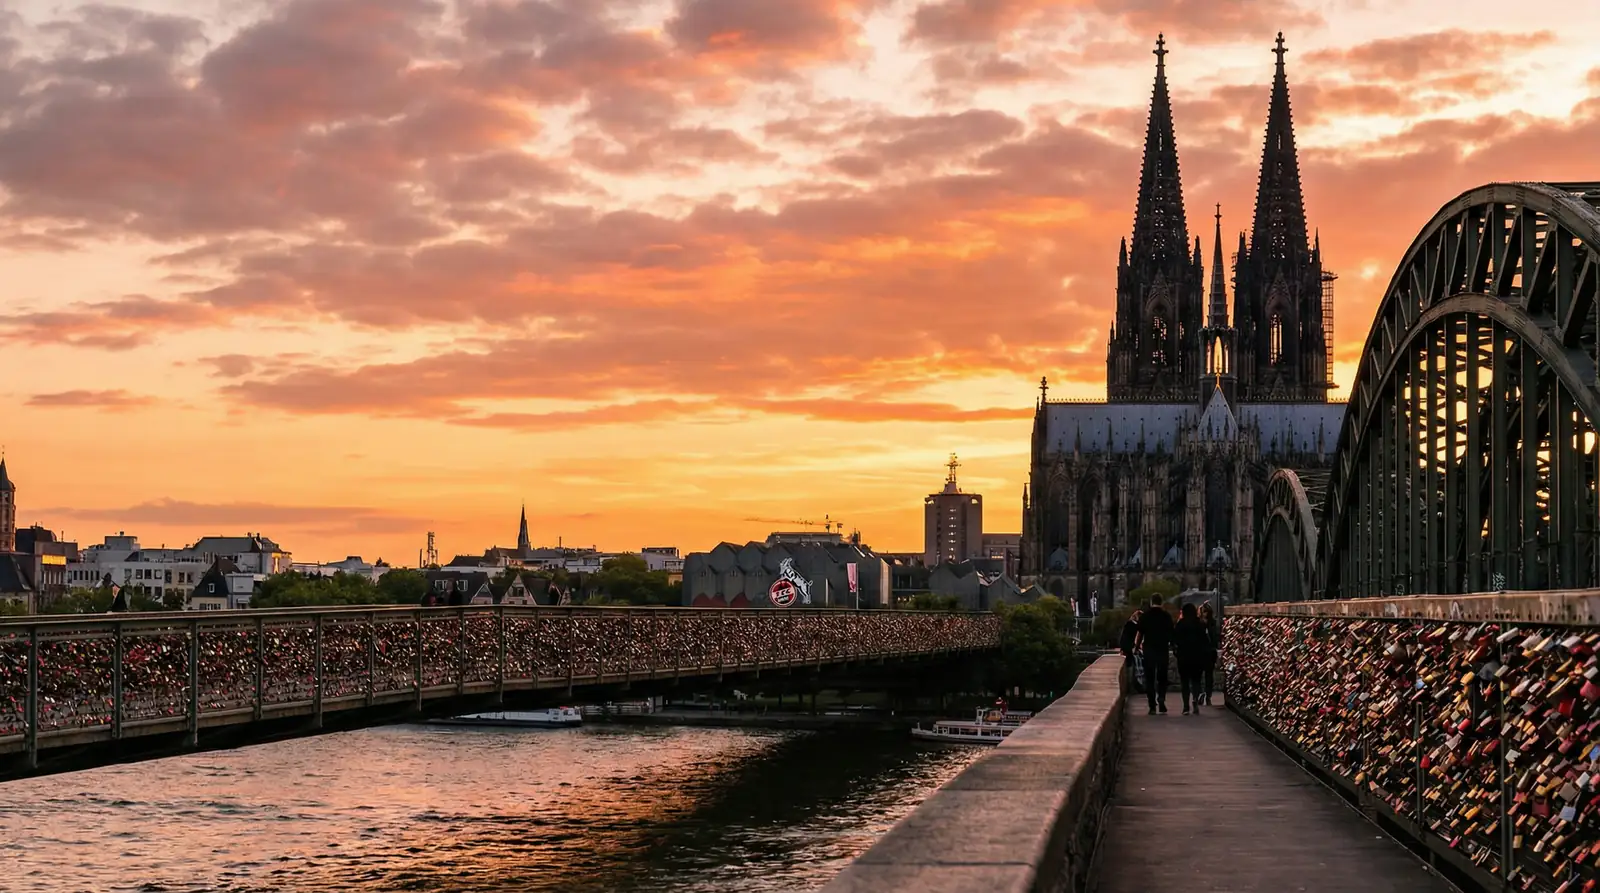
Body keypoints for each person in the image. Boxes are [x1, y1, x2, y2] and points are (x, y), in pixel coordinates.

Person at [1135, 596, 1174, 714]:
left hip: (1149, 650)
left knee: (1150, 678)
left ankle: (1152, 705)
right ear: (1161, 602)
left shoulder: (1145, 616)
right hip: (1162, 649)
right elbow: (1171, 634)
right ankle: (1161, 698)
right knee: (1162, 677)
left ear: (1151, 603)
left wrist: (1136, 647)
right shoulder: (1166, 616)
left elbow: (1140, 634)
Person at [1173, 603, 1213, 715]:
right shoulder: (1199, 624)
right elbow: (1205, 641)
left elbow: (1175, 639)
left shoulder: (1180, 624)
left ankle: (1186, 706)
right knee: (1196, 681)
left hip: (1184, 657)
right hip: (1197, 657)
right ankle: (1195, 700)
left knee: (1184, 682)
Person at [1198, 603, 1220, 706]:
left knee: (1209, 676)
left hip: (1209, 652)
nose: (1205, 614)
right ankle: (1201, 694)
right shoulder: (1199, 623)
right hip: (1201, 651)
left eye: (1206, 611)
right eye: (1204, 611)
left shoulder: (1212, 623)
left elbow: (1215, 637)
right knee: (1199, 675)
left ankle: (1208, 695)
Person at [1118, 609, 1143, 692]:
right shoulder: (1132, 625)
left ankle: (1131, 687)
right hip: (1128, 648)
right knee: (1130, 667)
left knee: (1130, 667)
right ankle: (1132, 687)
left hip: (1126, 647)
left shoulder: (1129, 624)